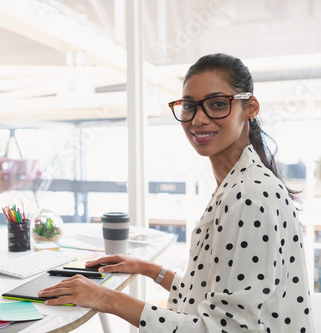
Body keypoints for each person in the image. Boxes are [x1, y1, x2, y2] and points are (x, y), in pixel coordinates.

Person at [38, 53, 314, 332]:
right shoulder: (238, 183)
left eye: (218, 104)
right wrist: (148, 269)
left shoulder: (249, 194)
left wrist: (106, 297)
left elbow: (226, 328)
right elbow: (212, 296)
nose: (199, 119)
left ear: (250, 107)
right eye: (189, 106)